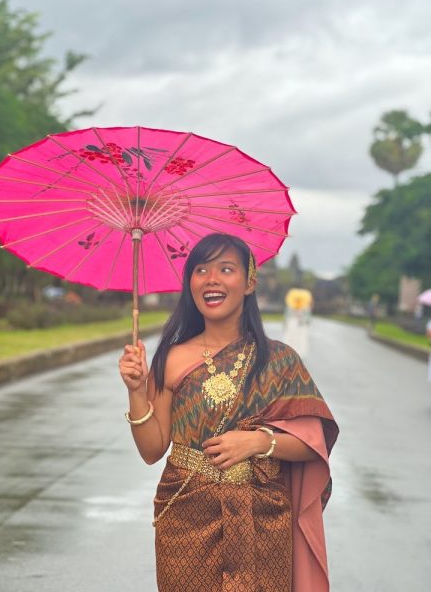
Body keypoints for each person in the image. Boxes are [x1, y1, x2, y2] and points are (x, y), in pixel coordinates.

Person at [119, 233, 339, 592]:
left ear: (249, 282)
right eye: (201, 269)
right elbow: (151, 450)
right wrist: (135, 391)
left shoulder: (280, 360)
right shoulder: (170, 358)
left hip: (263, 520)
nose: (211, 279)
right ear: (190, 282)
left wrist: (256, 443)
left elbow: (312, 446)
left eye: (226, 269)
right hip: (186, 517)